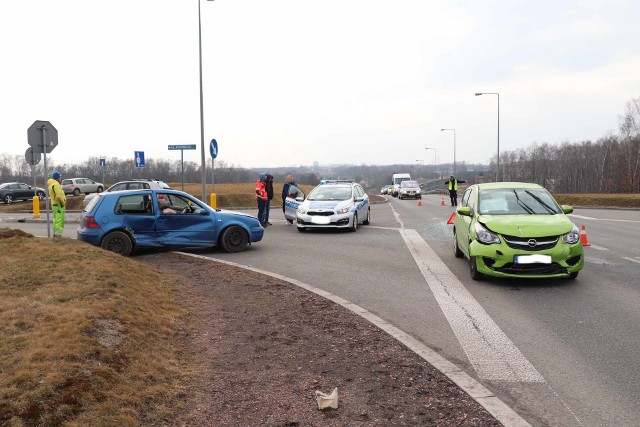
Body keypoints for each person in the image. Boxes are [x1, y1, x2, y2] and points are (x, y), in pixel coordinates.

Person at [47, 170, 66, 237]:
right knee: (59, 220)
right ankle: (58, 235)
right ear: (57, 178)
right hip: (59, 205)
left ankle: (55, 234)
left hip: (54, 205)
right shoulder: (56, 185)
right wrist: (62, 202)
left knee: (56, 220)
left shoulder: (51, 185)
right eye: (60, 177)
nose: (60, 178)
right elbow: (58, 196)